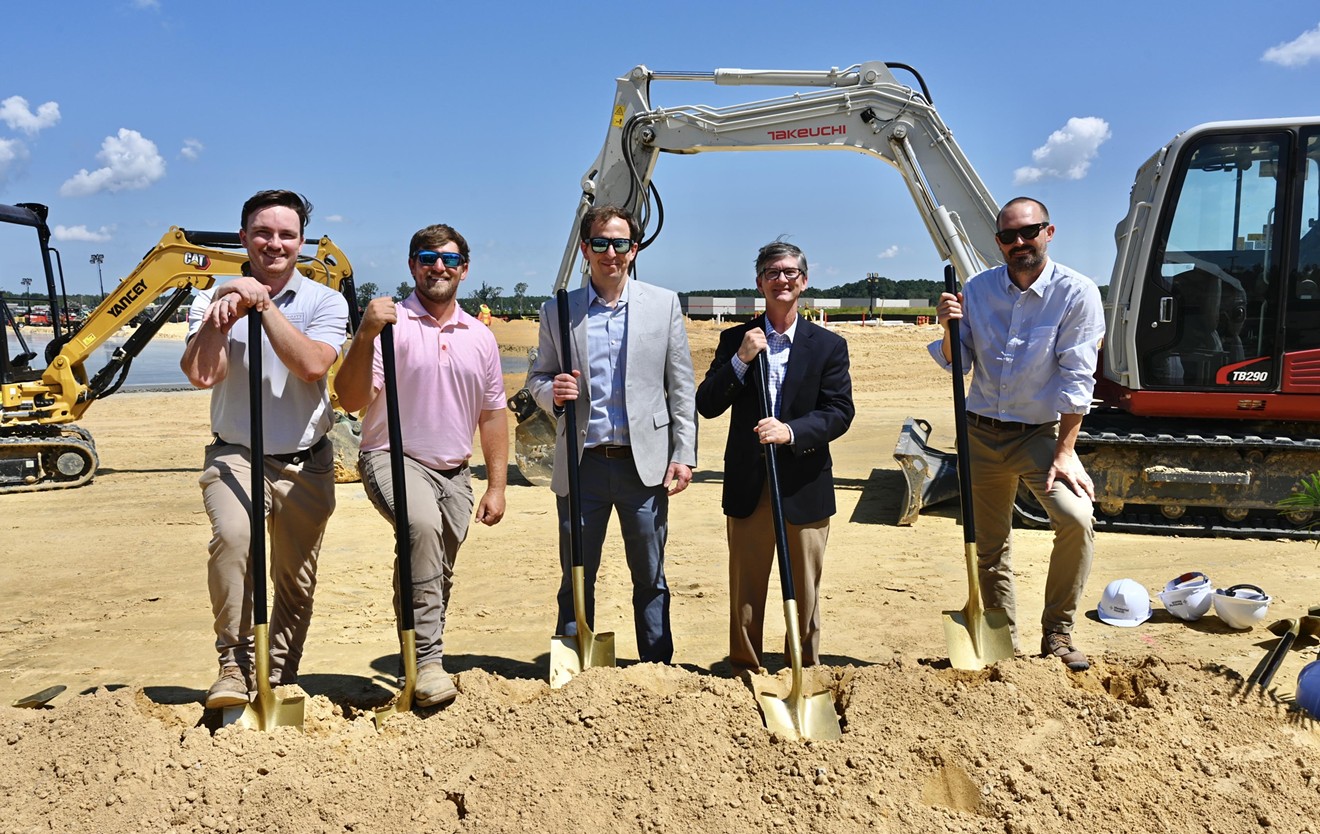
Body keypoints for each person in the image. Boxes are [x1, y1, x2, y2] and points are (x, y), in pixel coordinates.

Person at [181, 189, 349, 708]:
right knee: (233, 541)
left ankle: (277, 675)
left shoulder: (326, 301)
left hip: (306, 461)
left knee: (295, 577)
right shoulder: (210, 297)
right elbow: (203, 374)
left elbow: (313, 366)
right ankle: (233, 665)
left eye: (286, 235)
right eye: (263, 233)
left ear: (302, 242)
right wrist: (222, 314)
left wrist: (263, 304)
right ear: (244, 238)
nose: (274, 244)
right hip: (236, 453)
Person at [335, 224, 508, 707]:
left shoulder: (480, 336)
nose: (439, 267)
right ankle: (429, 662)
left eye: (450, 260)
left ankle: (413, 650)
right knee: (423, 528)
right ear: (412, 264)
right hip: (391, 456)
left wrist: (497, 485)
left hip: (455, 471)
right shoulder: (390, 326)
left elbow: (493, 415)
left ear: (464, 270)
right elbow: (348, 399)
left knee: (433, 563)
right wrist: (365, 334)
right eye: (428, 258)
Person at [930, 196, 1105, 672]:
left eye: (1030, 232)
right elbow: (957, 361)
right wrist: (949, 325)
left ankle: (1058, 632)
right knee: (989, 548)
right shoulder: (979, 289)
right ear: (998, 243)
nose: (1020, 242)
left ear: (1049, 232)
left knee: (1075, 519)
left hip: (1039, 436)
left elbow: (1077, 376)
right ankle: (999, 638)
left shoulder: (1076, 292)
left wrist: (1066, 450)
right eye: (1009, 236)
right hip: (980, 433)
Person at [527, 205, 697, 664]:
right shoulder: (558, 310)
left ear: (633, 249)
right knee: (577, 575)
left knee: (650, 575)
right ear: (585, 249)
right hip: (581, 468)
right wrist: (551, 392)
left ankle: (658, 665)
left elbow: (681, 387)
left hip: (645, 467)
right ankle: (575, 665)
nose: (610, 253)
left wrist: (684, 453)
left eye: (620, 244)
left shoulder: (663, 305)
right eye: (600, 243)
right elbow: (537, 378)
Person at [695, 239, 854, 679]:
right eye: (772, 273)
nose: (781, 280)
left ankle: (802, 670)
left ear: (803, 281)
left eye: (789, 272)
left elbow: (840, 412)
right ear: (759, 282)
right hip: (749, 486)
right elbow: (706, 403)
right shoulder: (735, 339)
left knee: (804, 590)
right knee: (746, 591)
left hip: (804, 485)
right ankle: (745, 669)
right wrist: (742, 361)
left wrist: (791, 432)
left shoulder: (828, 346)